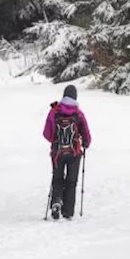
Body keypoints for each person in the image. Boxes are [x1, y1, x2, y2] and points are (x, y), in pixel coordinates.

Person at [43, 84, 91, 220]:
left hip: (57, 153)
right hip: (74, 152)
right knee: (71, 181)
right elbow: (86, 134)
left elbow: (47, 133)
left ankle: (56, 201)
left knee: (57, 178)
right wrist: (86, 143)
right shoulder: (78, 114)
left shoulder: (54, 111)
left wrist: (54, 141)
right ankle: (68, 211)